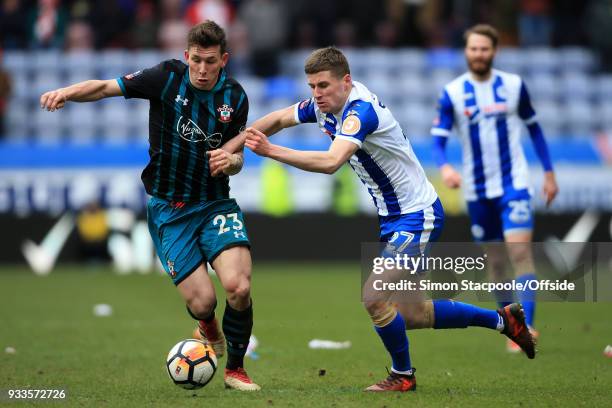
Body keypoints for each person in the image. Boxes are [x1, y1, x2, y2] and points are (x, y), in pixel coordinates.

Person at [218, 46, 536, 392]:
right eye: (312, 86)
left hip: (418, 214)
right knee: (413, 314)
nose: (316, 94)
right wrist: (231, 147)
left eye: (323, 85)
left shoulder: (360, 112)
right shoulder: (325, 106)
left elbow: (330, 163)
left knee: (373, 296)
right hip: (395, 218)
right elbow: (278, 118)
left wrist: (269, 151)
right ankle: (504, 321)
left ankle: (403, 375)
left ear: (346, 81)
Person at [40, 20, 260, 391]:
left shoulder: (235, 98)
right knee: (204, 301)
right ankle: (208, 328)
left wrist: (231, 161)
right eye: (196, 61)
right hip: (169, 211)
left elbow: (236, 158)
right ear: (185, 56)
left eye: (210, 61)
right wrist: (66, 91)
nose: (202, 70)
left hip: (214, 204)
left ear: (224, 59)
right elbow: (106, 87)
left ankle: (235, 369)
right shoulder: (165, 78)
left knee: (238, 287)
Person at [431, 24, 558, 353]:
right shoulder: (453, 92)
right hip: (476, 189)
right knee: (497, 262)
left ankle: (527, 325)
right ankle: (513, 328)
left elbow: (535, 129)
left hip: (513, 183)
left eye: (484, 49)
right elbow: (439, 137)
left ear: (494, 51)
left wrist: (548, 173)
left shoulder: (514, 86)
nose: (478, 54)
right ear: (466, 51)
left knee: (520, 253)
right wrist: (444, 166)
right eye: (473, 49)